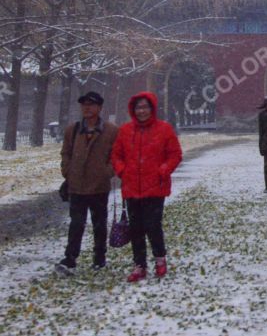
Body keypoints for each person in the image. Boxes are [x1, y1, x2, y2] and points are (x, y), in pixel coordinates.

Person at [111, 92, 182, 283]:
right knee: (136, 228)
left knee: (153, 226)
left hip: (155, 187)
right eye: (138, 108)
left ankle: (160, 259)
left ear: (152, 109)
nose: (142, 111)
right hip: (132, 186)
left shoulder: (164, 129)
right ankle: (139, 265)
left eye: (145, 107)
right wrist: (122, 170)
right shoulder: (125, 131)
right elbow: (116, 155)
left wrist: (163, 170)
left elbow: (175, 154)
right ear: (133, 110)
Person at [56, 91, 119, 275]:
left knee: (99, 223)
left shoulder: (111, 130)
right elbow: (65, 152)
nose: (87, 108)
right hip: (77, 185)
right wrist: (67, 170)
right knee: (76, 223)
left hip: (99, 185)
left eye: (91, 105)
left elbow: (116, 155)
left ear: (99, 108)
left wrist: (107, 171)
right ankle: (70, 257)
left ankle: (99, 257)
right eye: (84, 104)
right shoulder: (73, 130)